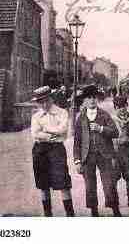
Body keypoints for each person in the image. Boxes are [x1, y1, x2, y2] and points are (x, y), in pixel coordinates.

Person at [73, 84, 122, 217]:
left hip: (105, 154)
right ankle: (94, 211)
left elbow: (116, 132)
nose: (92, 100)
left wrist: (101, 129)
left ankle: (115, 209)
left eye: (94, 97)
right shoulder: (80, 118)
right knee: (90, 185)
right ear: (84, 100)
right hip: (87, 156)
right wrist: (77, 160)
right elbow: (77, 141)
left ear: (97, 99)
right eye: (89, 98)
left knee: (109, 183)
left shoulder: (104, 115)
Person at [30, 86, 75, 217]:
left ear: (51, 99)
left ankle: (70, 214)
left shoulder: (62, 113)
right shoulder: (36, 116)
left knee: (63, 182)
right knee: (43, 184)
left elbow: (62, 130)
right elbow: (34, 133)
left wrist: (44, 130)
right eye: (40, 101)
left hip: (57, 150)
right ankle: (47, 214)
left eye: (46, 100)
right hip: (40, 150)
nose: (43, 104)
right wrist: (51, 133)